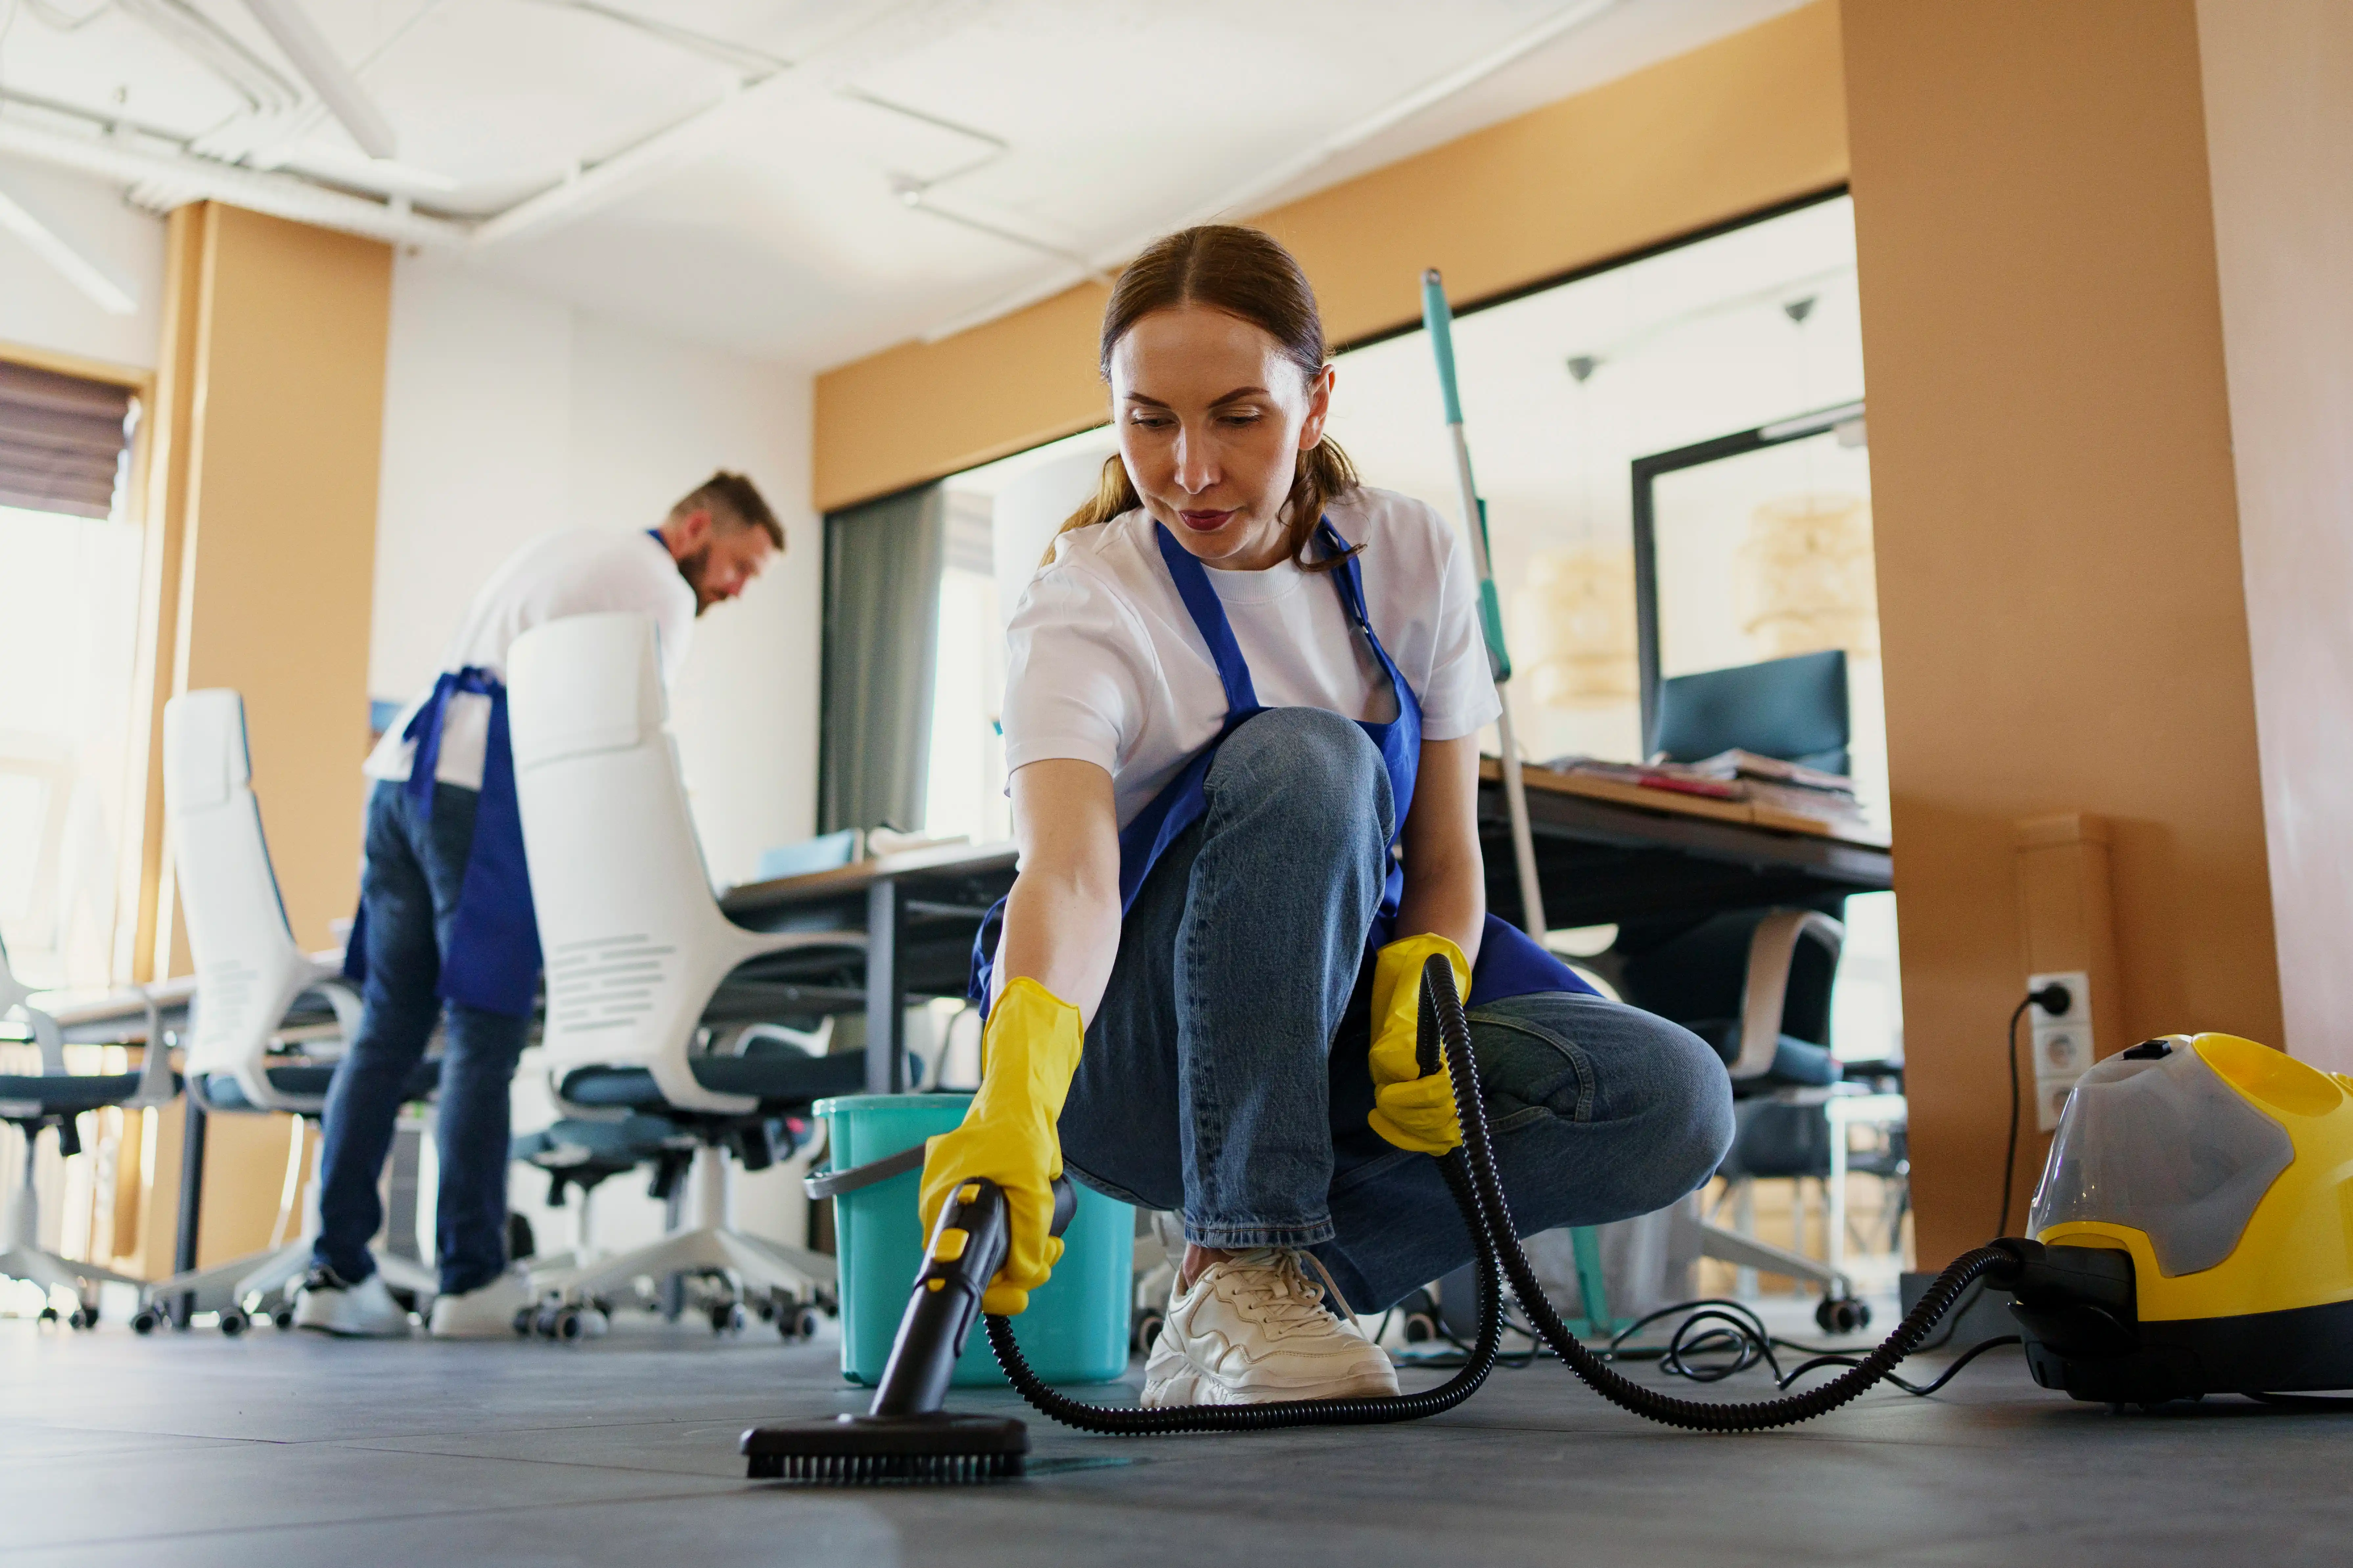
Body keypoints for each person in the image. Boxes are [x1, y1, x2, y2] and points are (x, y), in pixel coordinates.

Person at [927, 227, 1734, 1405]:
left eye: (1238, 416)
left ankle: (1260, 1280)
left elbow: (1451, 858)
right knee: (1311, 756)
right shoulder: (1086, 603)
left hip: (1333, 1027)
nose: (1191, 467)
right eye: (1149, 419)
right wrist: (1016, 1088)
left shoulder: (1405, 552)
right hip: (1134, 1057)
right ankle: (1244, 1250)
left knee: (1672, 1099)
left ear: (1315, 405)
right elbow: (1070, 875)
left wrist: (1434, 974)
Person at [293, 472, 783, 1338]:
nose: (737, 589)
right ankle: (472, 1278)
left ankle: (337, 1272)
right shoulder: (660, 588)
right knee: (486, 1027)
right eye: (740, 564)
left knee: (388, 1027)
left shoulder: (574, 548)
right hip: (479, 785)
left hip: (405, 773)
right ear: (700, 525)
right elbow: (627, 751)